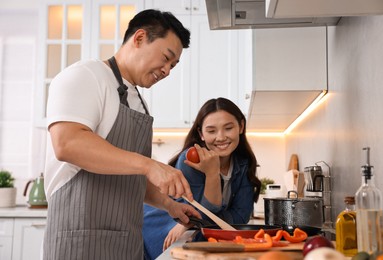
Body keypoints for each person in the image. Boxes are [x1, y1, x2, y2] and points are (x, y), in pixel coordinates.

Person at [43, 9, 201, 260]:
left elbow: (131, 177)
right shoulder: (86, 75)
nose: (168, 70)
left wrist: (171, 206)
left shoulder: (138, 101)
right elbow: (68, 143)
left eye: (173, 65)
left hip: (125, 241)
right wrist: (149, 165)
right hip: (81, 240)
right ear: (139, 38)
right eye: (166, 58)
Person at [143, 97, 262, 259]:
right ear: (201, 134)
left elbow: (240, 217)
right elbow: (200, 216)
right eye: (211, 131)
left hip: (195, 236)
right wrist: (212, 173)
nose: (220, 137)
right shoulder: (191, 158)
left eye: (228, 128)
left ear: (241, 126)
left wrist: (196, 222)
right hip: (160, 231)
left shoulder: (243, 164)